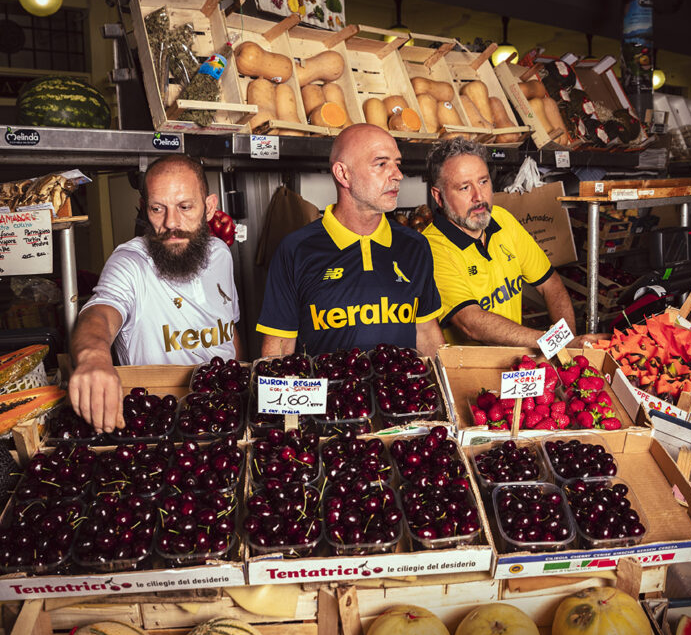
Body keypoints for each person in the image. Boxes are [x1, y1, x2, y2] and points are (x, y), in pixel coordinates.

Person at [69, 155, 243, 433]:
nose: (171, 222)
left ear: (209, 207)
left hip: (225, 417)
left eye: (185, 207)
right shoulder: (130, 262)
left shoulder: (221, 254)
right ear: (143, 209)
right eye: (157, 208)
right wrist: (93, 357)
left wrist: (239, 381)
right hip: (161, 426)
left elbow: (229, 329)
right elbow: (100, 313)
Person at [257, 123, 445, 358]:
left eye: (397, 164)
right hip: (327, 394)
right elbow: (280, 346)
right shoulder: (295, 250)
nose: (398, 175)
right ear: (343, 174)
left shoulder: (415, 246)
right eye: (381, 164)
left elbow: (426, 331)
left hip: (398, 392)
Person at [422, 137, 605, 347]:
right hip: (469, 370)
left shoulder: (502, 219)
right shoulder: (431, 248)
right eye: (464, 188)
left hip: (518, 365)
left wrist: (567, 345)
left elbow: (550, 284)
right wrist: (553, 343)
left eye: (483, 181)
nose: (479, 196)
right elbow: (470, 323)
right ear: (438, 197)